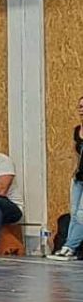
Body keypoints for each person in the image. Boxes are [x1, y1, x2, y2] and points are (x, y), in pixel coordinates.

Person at [48, 96, 83, 260]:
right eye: (80, 106)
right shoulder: (77, 130)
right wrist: (74, 172)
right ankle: (69, 248)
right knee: (74, 213)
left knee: (82, 214)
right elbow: (75, 152)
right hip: (79, 178)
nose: (82, 110)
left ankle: (69, 246)